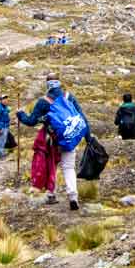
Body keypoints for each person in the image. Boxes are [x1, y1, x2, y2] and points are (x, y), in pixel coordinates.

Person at [17, 74, 87, 210]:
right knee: (68, 167)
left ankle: (51, 193)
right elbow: (81, 116)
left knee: (51, 165)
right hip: (69, 137)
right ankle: (73, 196)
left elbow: (31, 121)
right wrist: (88, 138)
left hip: (52, 138)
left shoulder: (43, 101)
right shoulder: (69, 97)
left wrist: (20, 115)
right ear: (59, 83)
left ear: (47, 84)